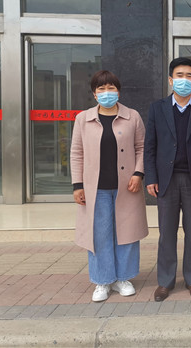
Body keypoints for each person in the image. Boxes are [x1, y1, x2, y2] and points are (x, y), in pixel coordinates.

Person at [144, 57, 191, 301]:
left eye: (189, 76)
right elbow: (150, 146)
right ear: (170, 80)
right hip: (166, 180)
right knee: (166, 233)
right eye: (179, 75)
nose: (184, 80)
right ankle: (165, 282)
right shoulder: (157, 108)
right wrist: (151, 177)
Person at [71, 70, 148, 303]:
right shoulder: (83, 119)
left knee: (127, 233)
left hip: (127, 187)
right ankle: (102, 280)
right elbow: (76, 153)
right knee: (99, 235)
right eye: (101, 89)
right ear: (94, 94)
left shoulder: (132, 116)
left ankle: (123, 278)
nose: (107, 93)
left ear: (118, 91)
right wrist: (77, 185)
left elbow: (142, 147)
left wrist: (138, 173)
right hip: (96, 189)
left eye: (111, 88)